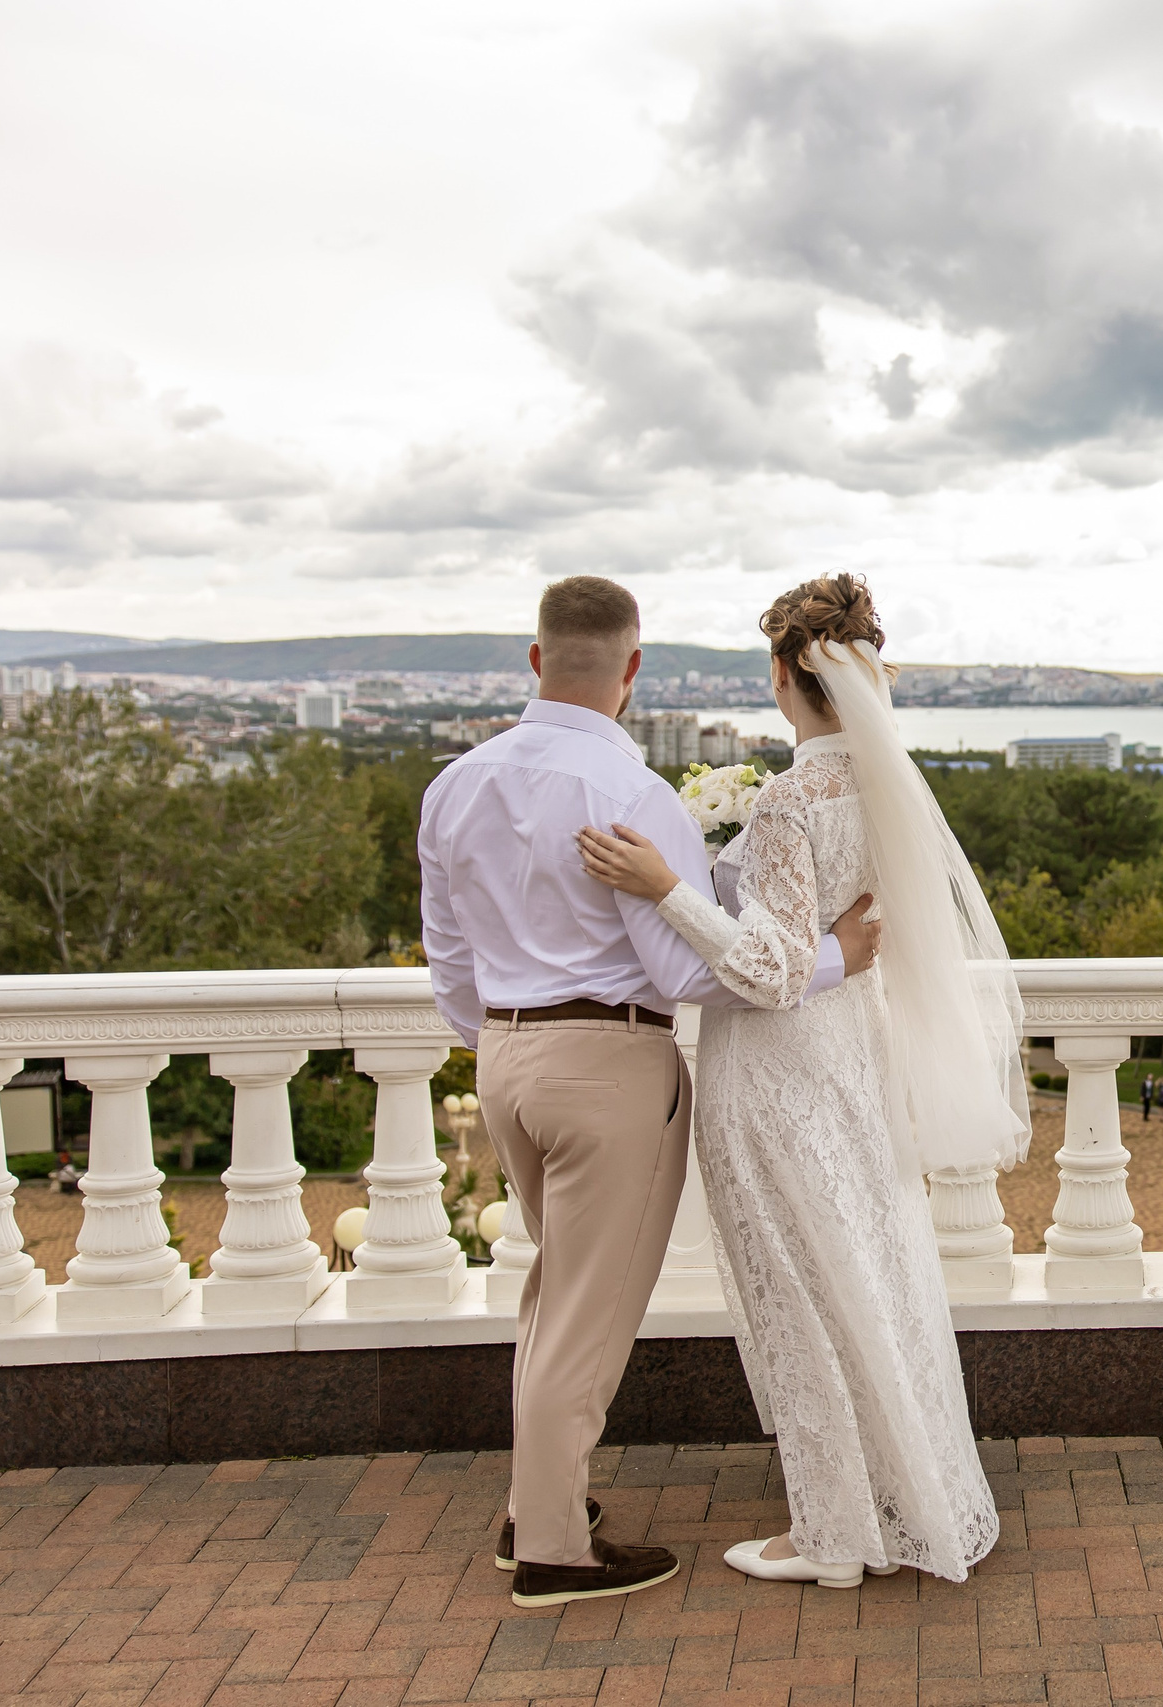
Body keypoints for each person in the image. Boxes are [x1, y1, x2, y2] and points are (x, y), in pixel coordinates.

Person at [418, 576, 883, 1609]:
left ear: (536, 661)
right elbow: (685, 975)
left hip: (503, 1060)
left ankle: (538, 1500)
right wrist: (828, 957)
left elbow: (446, 956)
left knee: (553, 1295)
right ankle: (548, 1547)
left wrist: (501, 1041)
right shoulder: (633, 797)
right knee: (587, 1316)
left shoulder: (454, 785)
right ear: (633, 671)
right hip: (610, 1071)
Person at [575, 573, 1027, 1589]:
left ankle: (832, 1534)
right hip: (851, 1057)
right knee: (864, 1274)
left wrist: (667, 890)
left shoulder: (787, 802)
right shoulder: (887, 785)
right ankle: (896, 1496)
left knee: (796, 1286)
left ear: (787, 674)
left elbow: (766, 972)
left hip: (777, 1072)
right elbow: (850, 943)